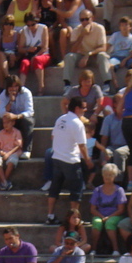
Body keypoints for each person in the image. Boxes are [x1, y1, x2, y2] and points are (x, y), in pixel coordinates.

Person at [45, 96, 91, 224]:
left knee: (55, 189)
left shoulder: (61, 119)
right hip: (71, 161)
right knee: (76, 191)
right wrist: (88, 160)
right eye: (84, 108)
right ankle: (74, 220)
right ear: (77, 108)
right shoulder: (77, 123)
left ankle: (50, 216)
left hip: (57, 159)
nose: (85, 110)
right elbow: (82, 145)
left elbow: (53, 136)